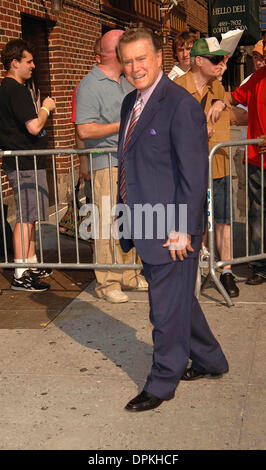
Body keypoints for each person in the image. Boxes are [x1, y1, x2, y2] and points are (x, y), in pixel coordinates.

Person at [116, 27, 228, 412]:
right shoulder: (129, 101)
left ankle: (163, 380)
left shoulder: (179, 104)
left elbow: (194, 175)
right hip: (144, 221)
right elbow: (129, 162)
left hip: (171, 229)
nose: (135, 67)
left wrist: (182, 229)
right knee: (180, 301)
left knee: (163, 310)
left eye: (141, 58)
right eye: (128, 61)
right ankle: (211, 359)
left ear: (159, 58)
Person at [75, 29, 148, 304]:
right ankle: (107, 283)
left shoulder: (126, 81)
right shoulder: (90, 85)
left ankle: (129, 275)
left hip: (131, 162)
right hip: (106, 163)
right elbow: (84, 129)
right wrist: (123, 123)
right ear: (111, 53)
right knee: (106, 222)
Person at [175, 37, 239, 298]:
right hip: (190, 170)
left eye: (222, 59)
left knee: (223, 222)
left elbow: (234, 103)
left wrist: (222, 101)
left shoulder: (218, 88)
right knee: (194, 225)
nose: (220, 63)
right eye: (215, 59)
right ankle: (194, 270)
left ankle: (225, 271)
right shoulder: (176, 89)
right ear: (198, 61)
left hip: (219, 165)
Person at [0, 39, 56, 291]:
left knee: (30, 217)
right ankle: (21, 273)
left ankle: (30, 264)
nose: (33, 65)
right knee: (25, 218)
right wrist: (46, 107)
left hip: (24, 160)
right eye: (29, 61)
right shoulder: (16, 89)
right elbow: (34, 126)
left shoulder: (6, 89)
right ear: (15, 63)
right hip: (23, 161)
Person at [228, 33, 266, 285]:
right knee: (258, 214)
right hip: (256, 161)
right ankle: (260, 266)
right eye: (255, 55)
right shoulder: (256, 80)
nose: (258, 60)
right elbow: (234, 98)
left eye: (261, 55)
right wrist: (217, 102)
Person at [71, 37, 102, 204]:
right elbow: (79, 129)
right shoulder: (85, 87)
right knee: (99, 208)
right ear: (98, 57)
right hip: (96, 160)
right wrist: (83, 161)